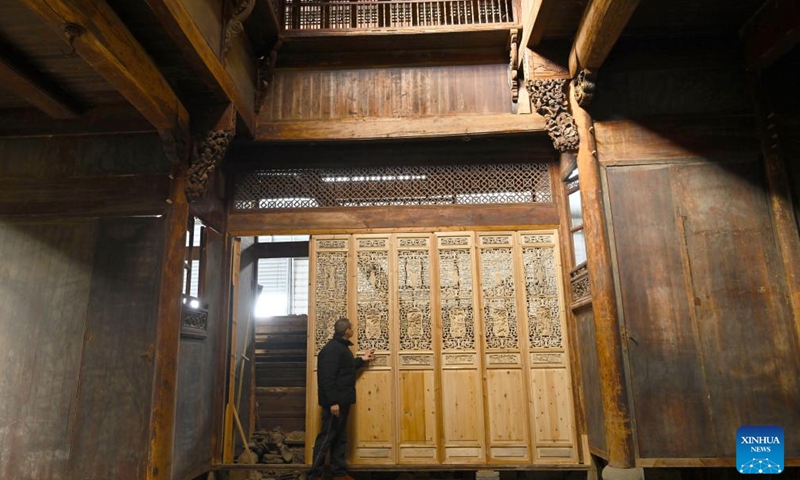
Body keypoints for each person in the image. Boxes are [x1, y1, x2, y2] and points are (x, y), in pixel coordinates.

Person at [308, 317, 374, 480]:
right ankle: (314, 475)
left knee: (340, 438)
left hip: (343, 401)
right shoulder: (331, 349)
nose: (354, 330)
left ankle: (339, 473)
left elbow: (346, 369)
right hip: (335, 403)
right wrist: (333, 402)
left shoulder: (341, 348)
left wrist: (362, 360)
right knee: (326, 438)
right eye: (352, 328)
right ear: (347, 331)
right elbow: (326, 378)